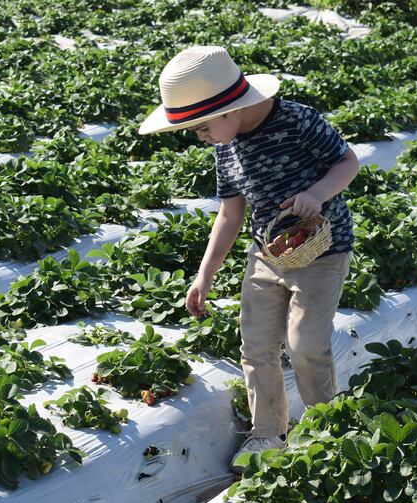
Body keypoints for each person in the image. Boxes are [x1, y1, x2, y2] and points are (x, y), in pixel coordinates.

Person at [139, 46, 359, 474]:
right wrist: (204, 276)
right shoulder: (226, 146)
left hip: (321, 250)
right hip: (267, 255)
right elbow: (230, 214)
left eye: (202, 128)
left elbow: (347, 162)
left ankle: (324, 428)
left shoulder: (298, 120)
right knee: (257, 347)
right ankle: (267, 433)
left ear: (228, 109)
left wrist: (316, 194)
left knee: (305, 345)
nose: (199, 137)